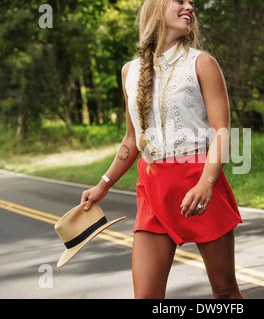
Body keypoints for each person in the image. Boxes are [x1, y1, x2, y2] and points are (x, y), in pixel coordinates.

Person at [81, 0, 243, 299]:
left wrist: (206, 182)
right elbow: (132, 139)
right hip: (153, 189)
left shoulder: (201, 63)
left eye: (192, 3)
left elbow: (222, 132)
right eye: (180, 1)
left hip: (198, 182)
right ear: (156, 7)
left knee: (225, 291)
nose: (190, 6)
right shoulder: (129, 72)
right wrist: (104, 184)